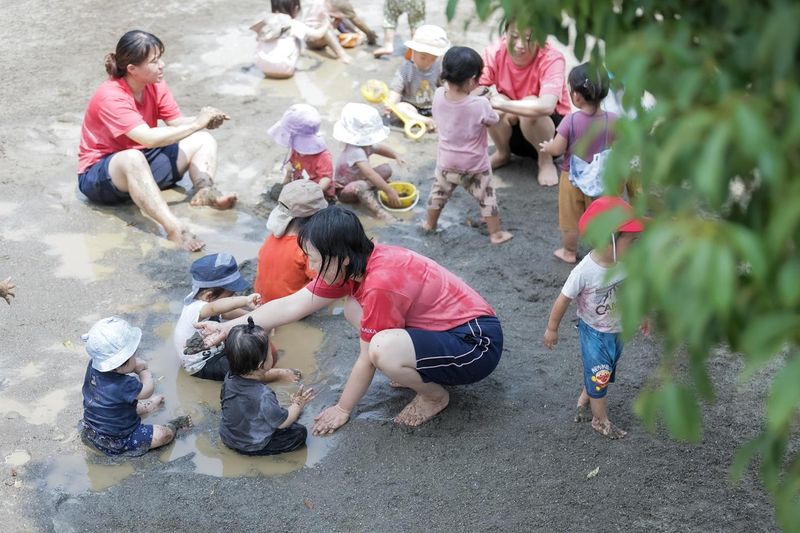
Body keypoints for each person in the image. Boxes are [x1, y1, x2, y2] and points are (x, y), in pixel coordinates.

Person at [196, 206, 504, 434]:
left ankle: (434, 396)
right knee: (353, 310)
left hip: (475, 345)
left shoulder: (381, 282)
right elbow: (292, 304)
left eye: (314, 259)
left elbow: (366, 359)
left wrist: (342, 408)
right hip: (447, 329)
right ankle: (412, 364)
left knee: (381, 349)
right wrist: (226, 327)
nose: (312, 269)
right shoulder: (355, 262)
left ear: (340, 256)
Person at [77, 30, 237, 251]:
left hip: (142, 160)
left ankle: (205, 191)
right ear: (132, 69)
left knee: (202, 139)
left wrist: (204, 121)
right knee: (133, 158)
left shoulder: (154, 83)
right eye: (154, 61)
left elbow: (175, 122)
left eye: (160, 57)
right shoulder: (111, 95)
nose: (162, 65)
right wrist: (195, 123)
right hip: (101, 176)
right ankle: (174, 228)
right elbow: (147, 138)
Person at [543, 197, 648, 439]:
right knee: (600, 372)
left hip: (617, 330)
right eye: (632, 241)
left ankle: (585, 398)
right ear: (608, 239)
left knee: (605, 370)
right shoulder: (585, 271)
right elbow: (563, 299)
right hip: (594, 333)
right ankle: (600, 421)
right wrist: (552, 329)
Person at [423, 46, 512, 245]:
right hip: (475, 165)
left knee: (438, 194)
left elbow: (452, 108)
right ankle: (496, 234)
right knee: (487, 197)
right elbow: (494, 119)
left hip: (447, 162)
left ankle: (429, 224)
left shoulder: (438, 95)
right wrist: (485, 100)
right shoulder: (479, 105)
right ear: (473, 80)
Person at [174, 253, 300, 382]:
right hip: (203, 363)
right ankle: (277, 374)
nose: (233, 298)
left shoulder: (205, 300)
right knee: (246, 374)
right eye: (231, 296)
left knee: (242, 342)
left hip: (215, 345)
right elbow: (215, 308)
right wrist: (244, 300)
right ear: (209, 296)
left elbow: (226, 313)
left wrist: (258, 317)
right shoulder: (197, 308)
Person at [540, 62, 617, 264]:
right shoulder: (614, 120)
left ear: (576, 95)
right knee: (601, 216)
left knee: (570, 219)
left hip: (572, 178)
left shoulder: (570, 121)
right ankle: (604, 252)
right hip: (601, 179)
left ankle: (569, 252)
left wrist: (548, 147)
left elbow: (557, 149)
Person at [81, 316, 193, 456]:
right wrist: (143, 371)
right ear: (124, 362)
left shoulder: (93, 366)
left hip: (91, 431)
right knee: (163, 435)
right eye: (134, 355)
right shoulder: (124, 384)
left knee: (118, 404)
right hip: (119, 440)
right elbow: (147, 391)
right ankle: (173, 426)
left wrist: (130, 366)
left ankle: (149, 406)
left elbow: (113, 398)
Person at [478, 20, 571, 186]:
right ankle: (502, 153)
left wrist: (504, 105)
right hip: (512, 135)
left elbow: (547, 105)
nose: (520, 45)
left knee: (529, 105)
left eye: (529, 39)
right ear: (504, 34)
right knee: (491, 104)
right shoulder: (495, 51)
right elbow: (474, 88)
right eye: (514, 37)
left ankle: (545, 162)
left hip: (552, 138)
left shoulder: (552, 58)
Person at [220, 318, 316, 455]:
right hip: (251, 444)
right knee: (299, 432)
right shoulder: (263, 395)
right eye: (269, 352)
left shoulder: (229, 378)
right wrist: (297, 405)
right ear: (262, 365)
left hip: (227, 436)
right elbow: (282, 423)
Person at [254, 181, 328, 302]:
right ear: (317, 218)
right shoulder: (308, 248)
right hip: (290, 309)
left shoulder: (271, 238)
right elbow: (324, 283)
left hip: (262, 302)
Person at [333, 103, 407, 222]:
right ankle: (380, 213)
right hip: (345, 190)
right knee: (361, 185)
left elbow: (379, 148)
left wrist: (396, 155)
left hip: (361, 179)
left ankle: (375, 187)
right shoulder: (354, 150)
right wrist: (388, 190)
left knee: (386, 169)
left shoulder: (364, 144)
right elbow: (370, 174)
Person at [385, 24, 449, 133]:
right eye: (423, 57)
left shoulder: (439, 66)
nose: (428, 62)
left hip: (433, 105)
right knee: (399, 108)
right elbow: (396, 90)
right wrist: (390, 103)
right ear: (412, 52)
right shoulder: (405, 70)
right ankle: (426, 121)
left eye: (433, 58)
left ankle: (434, 120)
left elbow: (445, 85)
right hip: (412, 107)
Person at [268, 104, 335, 200]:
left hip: (318, 194)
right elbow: (291, 169)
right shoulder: (296, 148)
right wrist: (287, 178)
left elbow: (326, 178)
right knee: (275, 191)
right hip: (300, 187)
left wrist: (312, 196)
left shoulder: (323, 156)